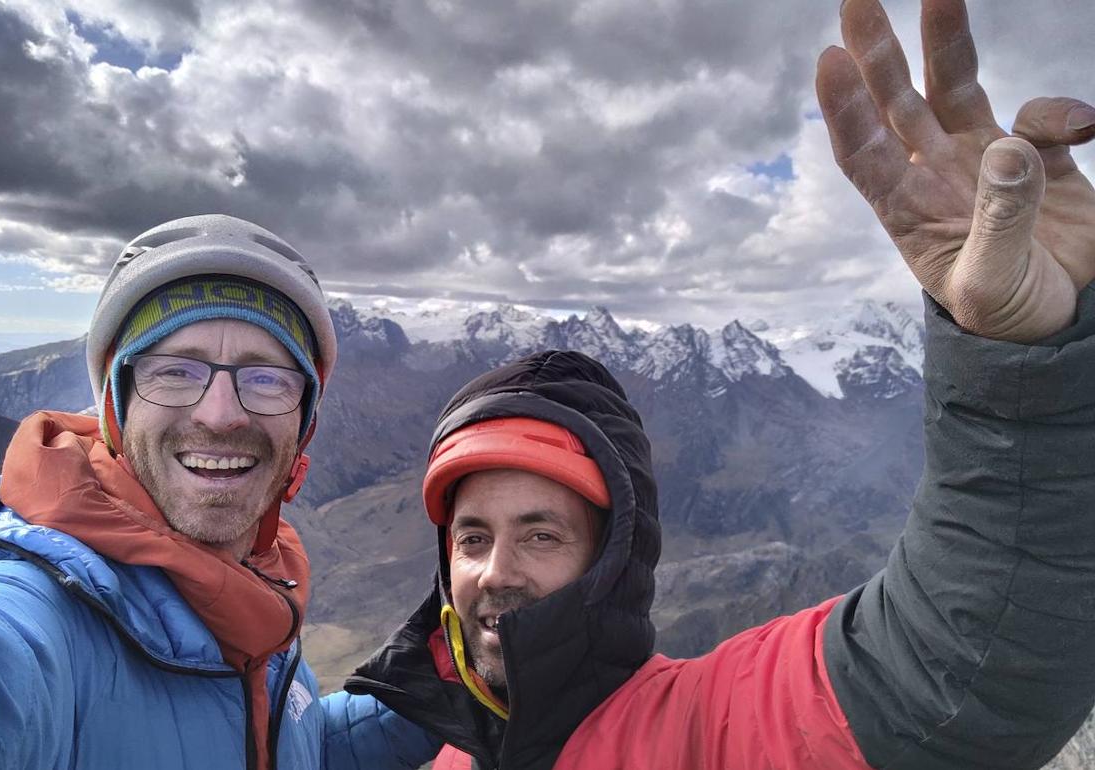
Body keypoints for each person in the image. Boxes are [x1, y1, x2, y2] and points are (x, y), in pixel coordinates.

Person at [343, 1, 1095, 768]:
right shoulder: (444, 757)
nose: (496, 571)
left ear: (611, 563)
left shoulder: (710, 729)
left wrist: (1028, 379)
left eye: (543, 534)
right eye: (472, 537)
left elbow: (956, 671)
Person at [0, 214, 438, 769]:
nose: (220, 415)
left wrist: (444, 684)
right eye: (174, 371)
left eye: (266, 377)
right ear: (115, 404)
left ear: (303, 420)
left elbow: (271, 743)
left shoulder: (252, 593)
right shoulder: (35, 615)